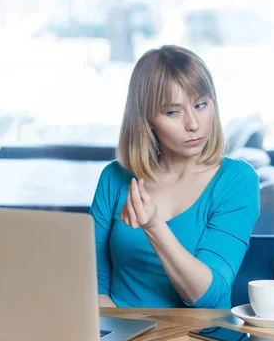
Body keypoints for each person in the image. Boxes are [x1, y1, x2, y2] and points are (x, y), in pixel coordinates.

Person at [90, 45, 260, 309]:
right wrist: (113, 330)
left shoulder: (237, 180)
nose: (193, 123)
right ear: (147, 119)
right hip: (121, 336)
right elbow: (94, 276)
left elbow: (209, 296)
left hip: (201, 340)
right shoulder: (114, 177)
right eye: (173, 112)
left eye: (201, 105)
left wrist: (155, 226)